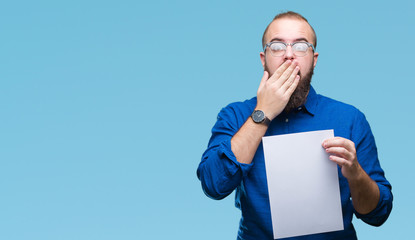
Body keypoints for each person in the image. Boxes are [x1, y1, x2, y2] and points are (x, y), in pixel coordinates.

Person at [196, 11, 393, 240]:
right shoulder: (235, 115)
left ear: (314, 59)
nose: (289, 55)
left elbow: (378, 214)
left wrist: (356, 174)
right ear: (263, 58)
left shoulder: (349, 119)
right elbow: (213, 185)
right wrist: (263, 112)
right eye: (277, 46)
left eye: (300, 46)